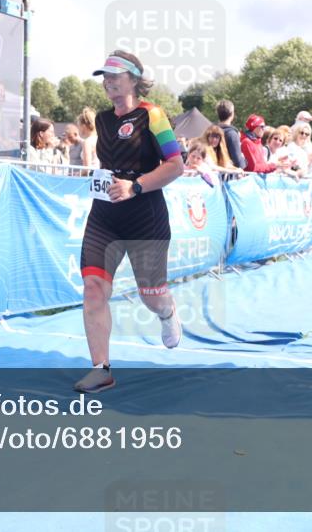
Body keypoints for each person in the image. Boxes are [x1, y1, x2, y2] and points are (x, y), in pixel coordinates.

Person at [75, 51, 185, 394]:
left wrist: (135, 186)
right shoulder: (104, 121)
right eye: (104, 76)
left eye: (115, 75)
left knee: (151, 297)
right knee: (94, 289)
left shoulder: (153, 115)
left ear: (134, 79)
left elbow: (176, 165)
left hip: (145, 218)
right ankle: (101, 370)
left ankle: (167, 312)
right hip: (105, 217)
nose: (107, 81)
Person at [216, 99, 246, 170]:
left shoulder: (210, 132)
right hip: (228, 176)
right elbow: (238, 162)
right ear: (232, 114)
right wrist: (244, 161)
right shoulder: (232, 134)